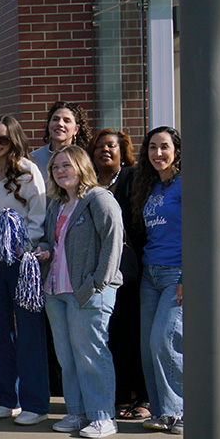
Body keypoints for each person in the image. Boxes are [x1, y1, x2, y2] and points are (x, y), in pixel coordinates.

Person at [34, 147, 124, 439]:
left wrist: (97, 284)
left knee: (91, 355)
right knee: (68, 357)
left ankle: (102, 417)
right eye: (56, 167)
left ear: (82, 166)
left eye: (66, 165)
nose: (60, 171)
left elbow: (113, 242)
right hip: (56, 292)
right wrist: (44, 251)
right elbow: (52, 241)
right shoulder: (56, 204)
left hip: (87, 292)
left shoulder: (99, 199)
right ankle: (77, 412)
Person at [0, 115, 49, 425]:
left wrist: (24, 248)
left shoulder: (28, 172)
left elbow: (38, 216)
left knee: (29, 332)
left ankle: (35, 403)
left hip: (21, 261)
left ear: (14, 141)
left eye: (3, 139)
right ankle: (7, 398)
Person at [91, 128, 148, 421]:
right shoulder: (89, 183)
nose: (105, 150)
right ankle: (120, 395)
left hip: (129, 270)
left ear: (122, 149)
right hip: (100, 270)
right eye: (99, 146)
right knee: (111, 335)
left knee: (132, 332)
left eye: (111, 146)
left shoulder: (132, 178)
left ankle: (142, 398)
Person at [132, 126, 183, 435]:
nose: (158, 153)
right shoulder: (151, 188)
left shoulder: (185, 185)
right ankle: (162, 410)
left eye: (164, 147)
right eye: (152, 147)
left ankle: (179, 412)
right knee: (147, 346)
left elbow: (200, 232)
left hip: (176, 273)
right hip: (150, 274)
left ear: (176, 150)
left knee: (164, 342)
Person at [30, 101, 92, 176]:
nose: (60, 124)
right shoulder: (34, 158)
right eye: (55, 119)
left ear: (76, 129)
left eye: (66, 121)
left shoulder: (86, 158)